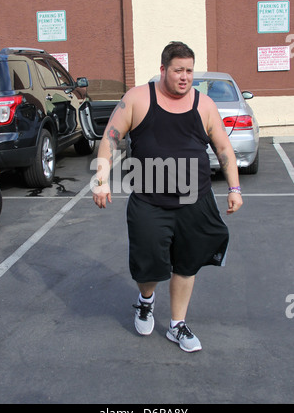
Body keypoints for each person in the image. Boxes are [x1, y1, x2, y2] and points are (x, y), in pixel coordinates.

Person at [92, 41, 243, 353]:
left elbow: (224, 148)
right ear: (163, 70)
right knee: (147, 267)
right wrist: (101, 180)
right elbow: (110, 139)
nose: (185, 77)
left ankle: (177, 325)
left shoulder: (204, 105)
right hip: (149, 201)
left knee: (186, 265)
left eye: (189, 71)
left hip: (195, 201)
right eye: (178, 71)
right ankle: (146, 299)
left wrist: (234, 188)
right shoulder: (138, 98)